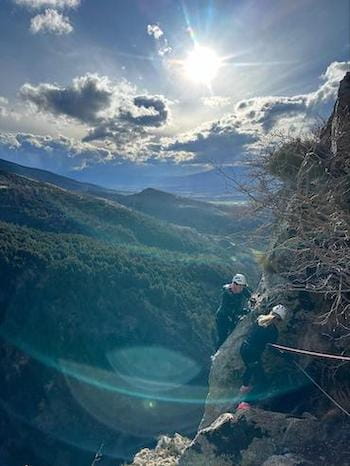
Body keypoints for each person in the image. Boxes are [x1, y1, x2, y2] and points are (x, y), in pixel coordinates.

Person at [237, 304, 288, 409]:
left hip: (244, 349)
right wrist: (285, 355)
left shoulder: (259, 319)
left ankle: (244, 387)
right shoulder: (273, 331)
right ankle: (246, 403)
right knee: (263, 383)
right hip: (253, 354)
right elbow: (272, 348)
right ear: (279, 320)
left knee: (250, 368)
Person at [215, 273, 252, 350]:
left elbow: (248, 294)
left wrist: (252, 299)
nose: (238, 289)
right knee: (222, 337)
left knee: (232, 333)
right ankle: (218, 353)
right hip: (222, 317)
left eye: (240, 287)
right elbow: (229, 310)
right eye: (236, 286)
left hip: (232, 316)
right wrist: (244, 311)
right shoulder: (227, 294)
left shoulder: (241, 289)